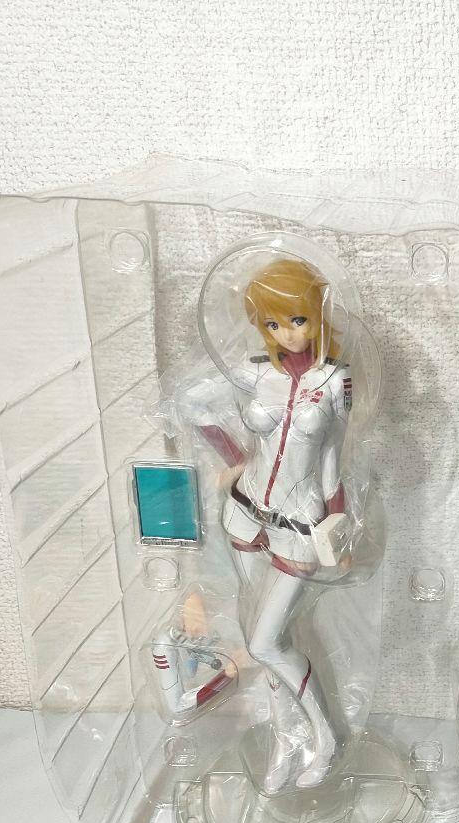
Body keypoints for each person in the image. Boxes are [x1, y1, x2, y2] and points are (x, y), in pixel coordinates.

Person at [180, 257, 355, 795]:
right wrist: (233, 458)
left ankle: (325, 738)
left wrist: (339, 526)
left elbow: (332, 461)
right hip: (244, 510)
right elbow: (191, 402)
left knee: (264, 644)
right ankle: (287, 739)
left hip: (298, 525)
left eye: (297, 320)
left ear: (318, 316)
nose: (287, 333)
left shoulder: (334, 380)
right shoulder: (256, 371)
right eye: (274, 323)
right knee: (271, 634)